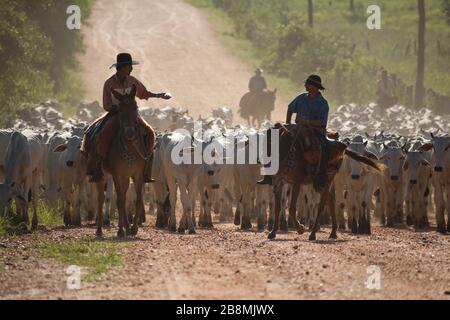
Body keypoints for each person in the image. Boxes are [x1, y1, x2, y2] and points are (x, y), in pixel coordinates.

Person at [83, 53, 171, 182]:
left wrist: (159, 95)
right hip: (115, 115)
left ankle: (146, 167)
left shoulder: (132, 81)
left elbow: (143, 93)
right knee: (98, 133)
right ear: (122, 67)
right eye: (130, 66)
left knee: (149, 132)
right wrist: (117, 108)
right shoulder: (109, 83)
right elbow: (106, 104)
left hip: (131, 115)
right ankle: (97, 166)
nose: (131, 69)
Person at [257, 74, 330, 192]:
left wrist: (307, 121)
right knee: (272, 133)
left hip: (315, 130)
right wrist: (287, 123)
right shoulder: (302, 97)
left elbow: (322, 122)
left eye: (307, 84)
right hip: (298, 126)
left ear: (314, 87)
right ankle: (269, 173)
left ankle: (319, 176)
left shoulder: (322, 103)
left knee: (323, 146)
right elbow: (290, 108)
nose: (305, 85)